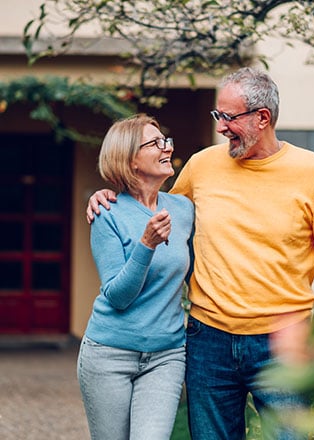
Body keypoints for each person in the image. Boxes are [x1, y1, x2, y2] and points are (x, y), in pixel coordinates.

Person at [86, 68, 314, 440]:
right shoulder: (202, 165)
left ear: (262, 118)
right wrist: (109, 195)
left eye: (229, 117)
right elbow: (151, 207)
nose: (220, 127)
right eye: (218, 116)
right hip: (207, 341)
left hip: (283, 344)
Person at [78, 114, 194, 440]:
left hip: (166, 355)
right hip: (109, 354)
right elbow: (118, 295)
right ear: (130, 160)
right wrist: (147, 244)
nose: (166, 148)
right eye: (155, 143)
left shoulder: (184, 210)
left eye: (166, 141)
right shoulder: (106, 214)